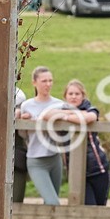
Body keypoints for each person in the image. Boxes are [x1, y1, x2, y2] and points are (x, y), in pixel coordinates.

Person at [20, 66, 72, 205]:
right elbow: (23, 134)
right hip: (35, 160)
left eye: (50, 80)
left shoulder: (60, 104)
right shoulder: (27, 105)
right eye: (44, 81)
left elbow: (71, 123)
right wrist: (25, 121)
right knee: (53, 202)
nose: (48, 84)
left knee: (50, 203)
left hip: (55, 159)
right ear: (34, 83)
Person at [59, 79, 110, 205]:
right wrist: (71, 114)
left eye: (77, 94)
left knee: (100, 207)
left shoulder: (91, 109)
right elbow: (46, 114)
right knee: (89, 206)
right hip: (76, 171)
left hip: (98, 168)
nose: (74, 97)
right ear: (65, 96)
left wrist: (65, 117)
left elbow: (89, 118)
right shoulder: (58, 109)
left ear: (83, 96)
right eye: (70, 94)